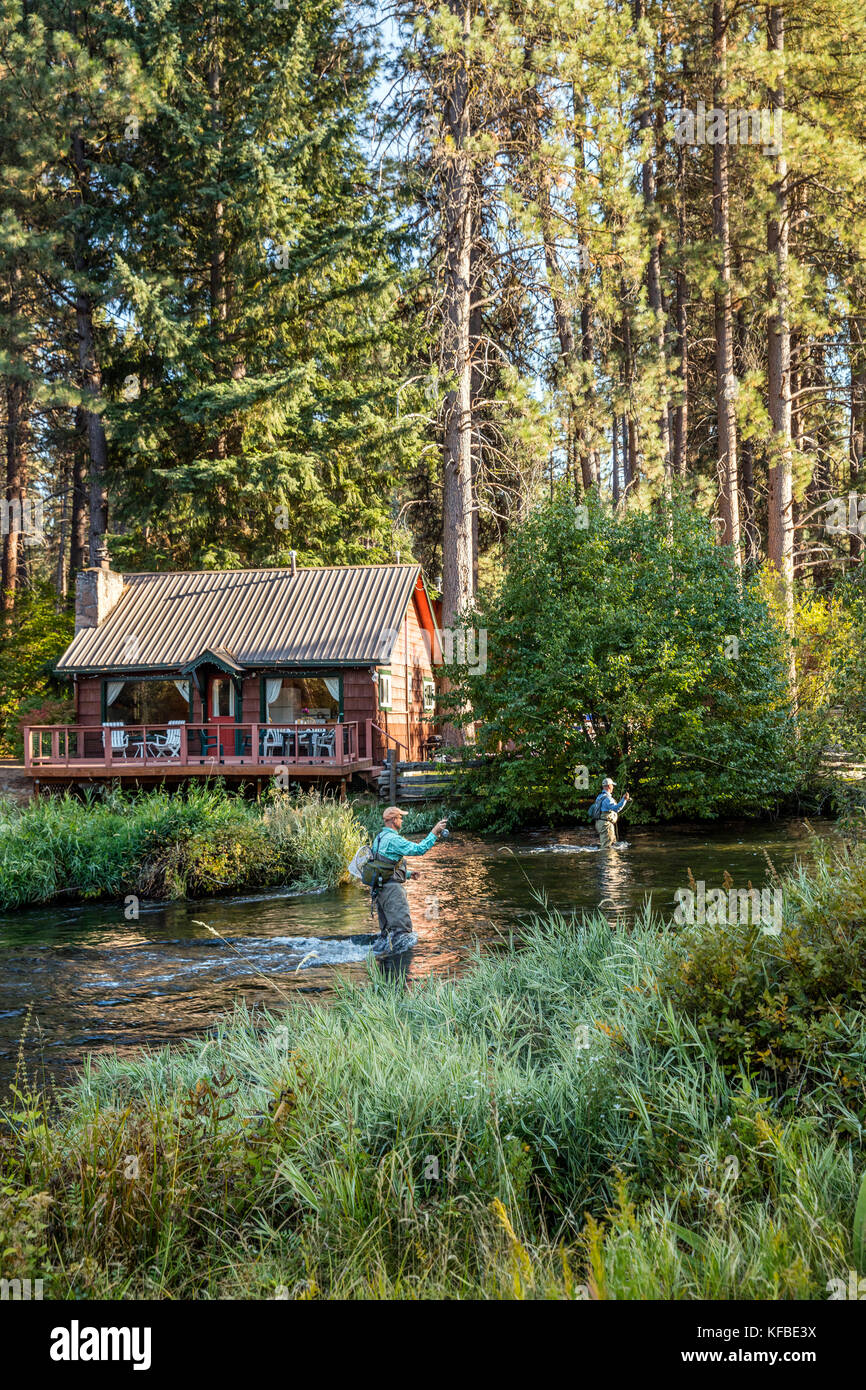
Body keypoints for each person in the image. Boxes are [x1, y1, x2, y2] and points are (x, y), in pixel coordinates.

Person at [368, 805, 449, 956]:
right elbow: (419, 849)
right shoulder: (394, 839)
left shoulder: (378, 838)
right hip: (392, 892)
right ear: (393, 820)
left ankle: (384, 970)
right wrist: (434, 832)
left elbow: (383, 867)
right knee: (402, 933)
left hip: (379, 890)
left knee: (387, 934)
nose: (402, 821)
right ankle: (400, 972)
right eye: (400, 818)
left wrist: (409, 874)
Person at [590, 776, 630, 849]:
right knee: (607, 847)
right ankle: (607, 859)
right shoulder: (608, 798)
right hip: (606, 825)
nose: (613, 787)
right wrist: (624, 800)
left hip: (600, 823)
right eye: (612, 785)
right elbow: (616, 809)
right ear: (609, 786)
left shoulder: (599, 796)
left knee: (611, 844)